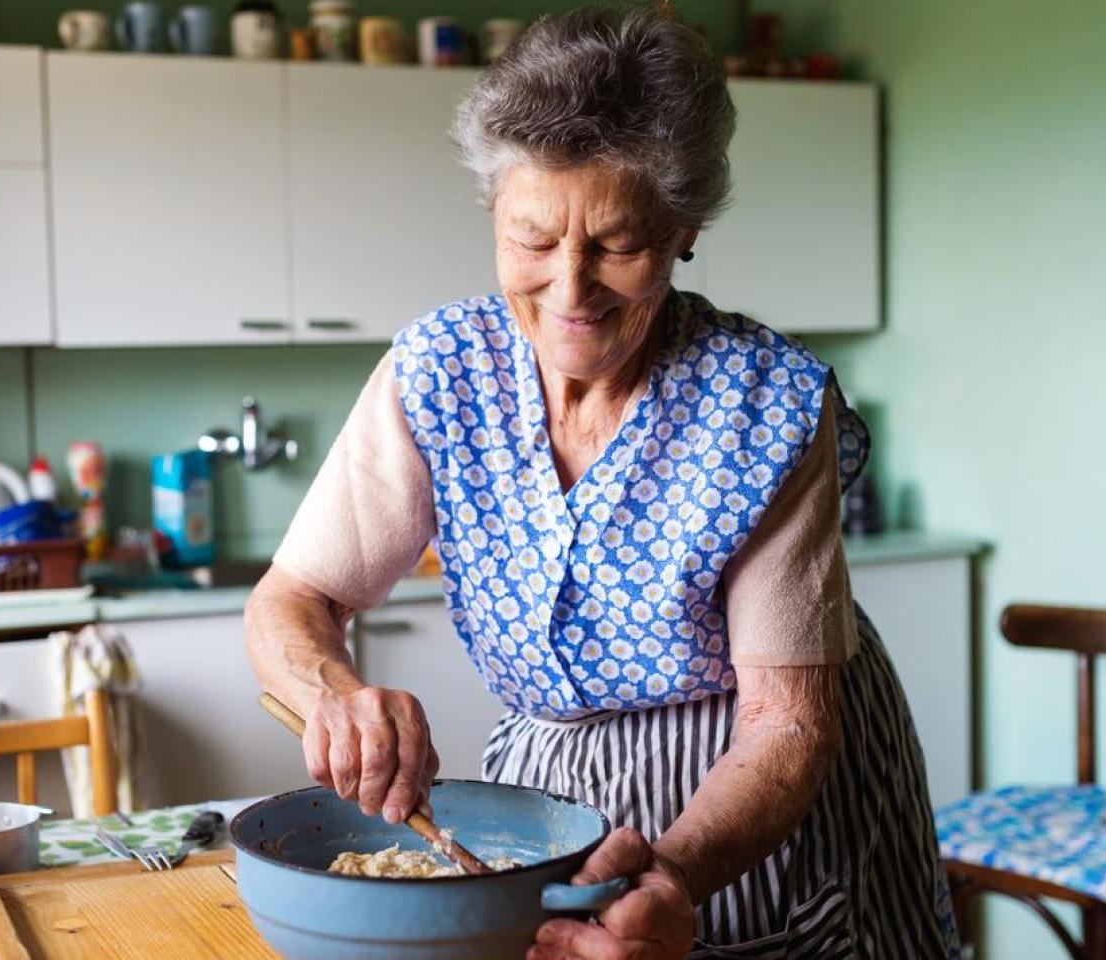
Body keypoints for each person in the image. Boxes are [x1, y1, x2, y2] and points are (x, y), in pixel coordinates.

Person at [244, 5, 960, 957]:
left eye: (618, 245)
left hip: (757, 800)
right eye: (534, 241)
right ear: (495, 210)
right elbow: (293, 597)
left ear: (684, 228)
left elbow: (786, 722)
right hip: (552, 793)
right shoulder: (438, 370)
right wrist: (333, 689)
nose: (571, 291)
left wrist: (673, 872)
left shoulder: (767, 406)